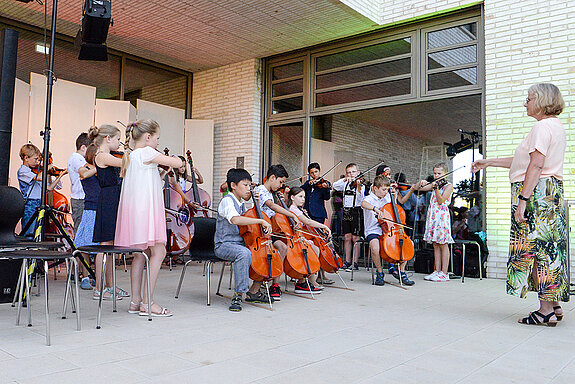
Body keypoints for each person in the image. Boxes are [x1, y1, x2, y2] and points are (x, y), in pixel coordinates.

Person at [472, 83, 567, 326]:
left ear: (542, 101)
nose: (525, 103)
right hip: (550, 192)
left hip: (536, 193)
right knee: (549, 246)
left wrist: (522, 201)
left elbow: (535, 166)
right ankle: (553, 304)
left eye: (529, 98)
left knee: (535, 250)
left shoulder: (541, 126)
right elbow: (524, 161)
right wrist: (489, 162)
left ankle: (544, 310)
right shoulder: (555, 127)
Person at [115, 119, 185, 317]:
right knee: (159, 252)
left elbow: (147, 180)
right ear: (147, 137)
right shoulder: (147, 152)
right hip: (147, 210)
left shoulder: (131, 156)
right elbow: (177, 162)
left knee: (140, 254)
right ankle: (148, 301)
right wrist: (180, 161)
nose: (157, 143)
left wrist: (160, 172)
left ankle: (135, 301)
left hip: (135, 211)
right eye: (157, 138)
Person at [214, 168, 273, 311]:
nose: (249, 189)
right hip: (224, 245)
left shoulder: (241, 203)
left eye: (250, 185)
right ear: (233, 185)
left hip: (240, 243)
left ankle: (254, 291)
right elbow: (235, 220)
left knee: (264, 254)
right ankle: (238, 294)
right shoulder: (227, 201)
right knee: (244, 253)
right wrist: (260, 221)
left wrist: (257, 204)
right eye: (245, 185)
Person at [254, 164, 301, 301]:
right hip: (260, 230)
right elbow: (271, 206)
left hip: (270, 230)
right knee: (280, 248)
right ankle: (268, 279)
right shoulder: (261, 189)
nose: (281, 185)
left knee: (283, 247)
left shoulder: (271, 193)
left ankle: (275, 283)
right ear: (272, 177)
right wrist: (292, 215)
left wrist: (284, 198)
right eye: (280, 182)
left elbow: (276, 210)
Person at [90, 125, 127, 301]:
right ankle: (98, 288)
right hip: (108, 200)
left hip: (113, 199)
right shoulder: (102, 156)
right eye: (118, 139)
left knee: (110, 246)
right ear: (108, 139)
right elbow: (125, 163)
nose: (120, 143)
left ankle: (110, 286)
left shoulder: (109, 155)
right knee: (104, 245)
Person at [361, 176, 415, 286]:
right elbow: (363, 204)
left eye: (387, 189)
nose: (386, 192)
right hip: (373, 229)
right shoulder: (369, 199)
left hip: (390, 230)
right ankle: (380, 272)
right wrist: (375, 209)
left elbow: (394, 212)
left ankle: (402, 271)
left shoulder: (388, 198)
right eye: (384, 190)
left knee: (409, 244)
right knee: (375, 247)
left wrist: (394, 195)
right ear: (375, 188)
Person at [287, 186, 331, 293]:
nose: (303, 199)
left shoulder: (297, 209)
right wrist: (324, 226)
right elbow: (308, 222)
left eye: (304, 197)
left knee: (315, 249)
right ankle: (305, 281)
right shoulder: (293, 209)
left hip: (299, 237)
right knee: (314, 250)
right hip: (296, 238)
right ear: (292, 197)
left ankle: (308, 280)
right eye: (300, 196)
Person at [17, 144, 66, 237]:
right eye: (35, 159)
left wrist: (58, 175)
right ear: (26, 158)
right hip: (30, 205)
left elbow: (50, 187)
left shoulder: (37, 171)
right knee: (29, 234)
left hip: (40, 203)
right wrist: (45, 168)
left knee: (38, 234)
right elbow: (39, 178)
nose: (37, 162)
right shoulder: (23, 171)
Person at [417, 163, 454, 282]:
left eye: (439, 173)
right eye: (435, 173)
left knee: (443, 244)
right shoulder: (434, 184)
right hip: (433, 216)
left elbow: (441, 200)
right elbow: (419, 188)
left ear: (445, 174)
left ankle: (444, 272)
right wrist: (421, 183)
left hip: (442, 217)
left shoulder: (448, 186)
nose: (436, 175)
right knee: (435, 244)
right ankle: (436, 271)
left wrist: (436, 188)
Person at [74, 144, 101, 290]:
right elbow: (83, 175)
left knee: (101, 247)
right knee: (85, 245)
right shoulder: (84, 168)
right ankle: (85, 276)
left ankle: (97, 276)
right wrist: (100, 166)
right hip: (90, 209)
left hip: (102, 210)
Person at [332, 163, 367, 271]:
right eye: (348, 172)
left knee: (355, 238)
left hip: (356, 211)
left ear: (358, 173)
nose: (351, 174)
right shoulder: (345, 184)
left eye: (353, 172)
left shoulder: (361, 185)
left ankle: (355, 263)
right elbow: (335, 185)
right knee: (347, 237)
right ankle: (347, 261)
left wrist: (359, 186)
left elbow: (362, 199)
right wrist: (345, 179)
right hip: (346, 211)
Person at [68, 132, 92, 236]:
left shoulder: (78, 158)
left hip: (81, 198)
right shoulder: (76, 158)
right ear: (83, 147)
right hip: (79, 199)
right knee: (80, 230)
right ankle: (77, 251)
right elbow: (86, 170)